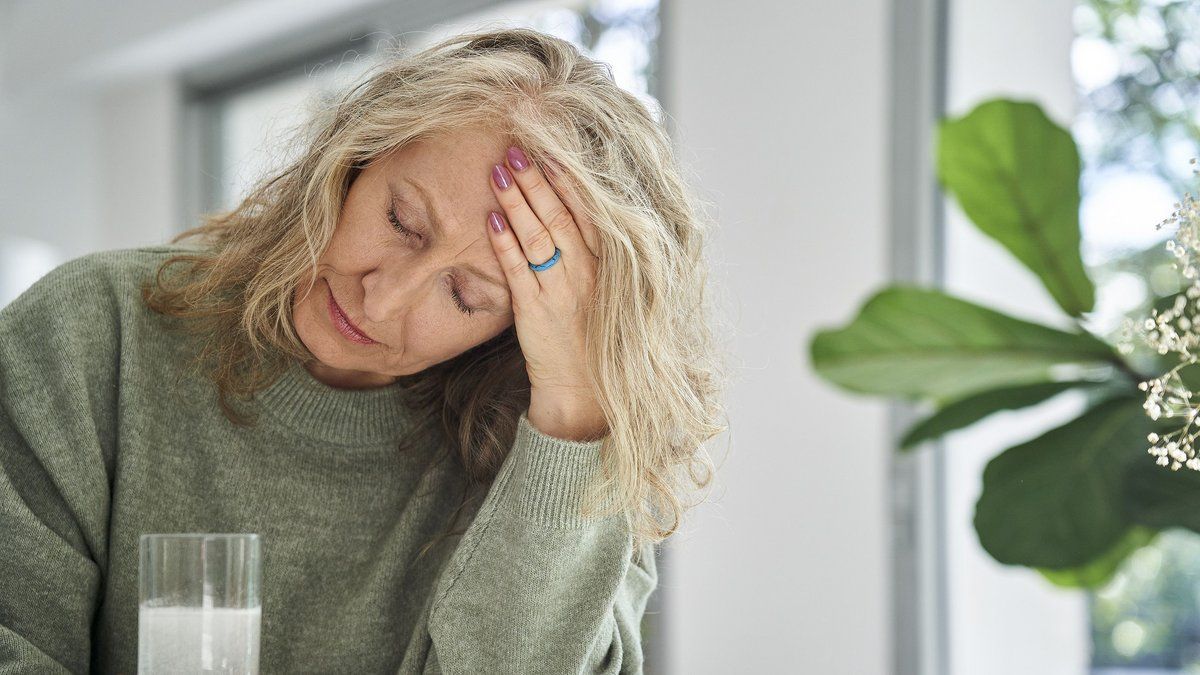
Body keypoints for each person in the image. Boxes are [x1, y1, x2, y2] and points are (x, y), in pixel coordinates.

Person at [0, 26, 727, 673]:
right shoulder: (91, 336)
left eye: (466, 295)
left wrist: (570, 412)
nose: (382, 298)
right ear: (353, 159)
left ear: (513, 332)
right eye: (401, 220)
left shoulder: (578, 469)